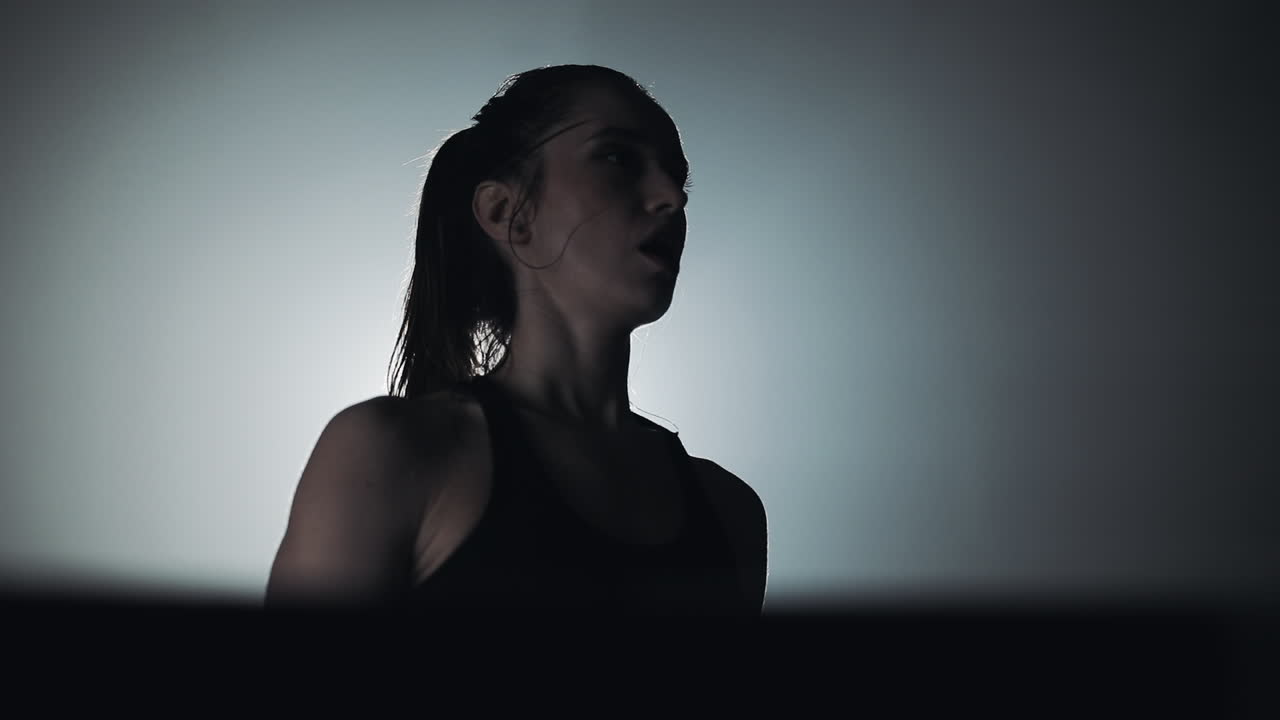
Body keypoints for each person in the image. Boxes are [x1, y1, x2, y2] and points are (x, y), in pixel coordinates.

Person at [265, 64, 767, 615]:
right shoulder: (392, 453)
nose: (672, 196)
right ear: (508, 214)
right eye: (619, 157)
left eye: (678, 175)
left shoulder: (731, 512)